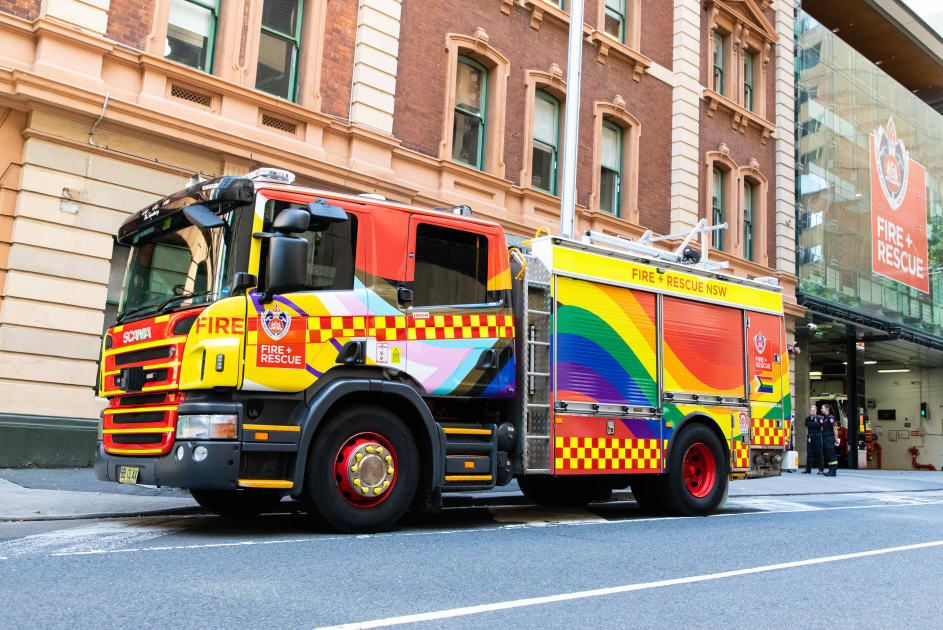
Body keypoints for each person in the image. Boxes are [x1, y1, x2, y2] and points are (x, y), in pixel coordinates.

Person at [803, 404, 823, 474]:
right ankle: (808, 470)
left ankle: (821, 470)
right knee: (809, 453)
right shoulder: (807, 418)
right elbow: (807, 424)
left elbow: (820, 426)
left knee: (819, 453)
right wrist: (814, 424)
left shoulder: (819, 419)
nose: (812, 411)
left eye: (813, 410)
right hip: (810, 437)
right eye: (811, 410)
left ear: (816, 411)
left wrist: (813, 424)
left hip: (817, 436)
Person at [820, 403, 839, 476]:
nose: (821, 409)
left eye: (822, 408)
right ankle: (830, 470)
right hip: (825, 438)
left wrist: (836, 438)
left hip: (829, 438)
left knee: (831, 454)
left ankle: (833, 471)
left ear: (827, 409)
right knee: (828, 454)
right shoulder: (825, 418)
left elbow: (834, 428)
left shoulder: (830, 417)